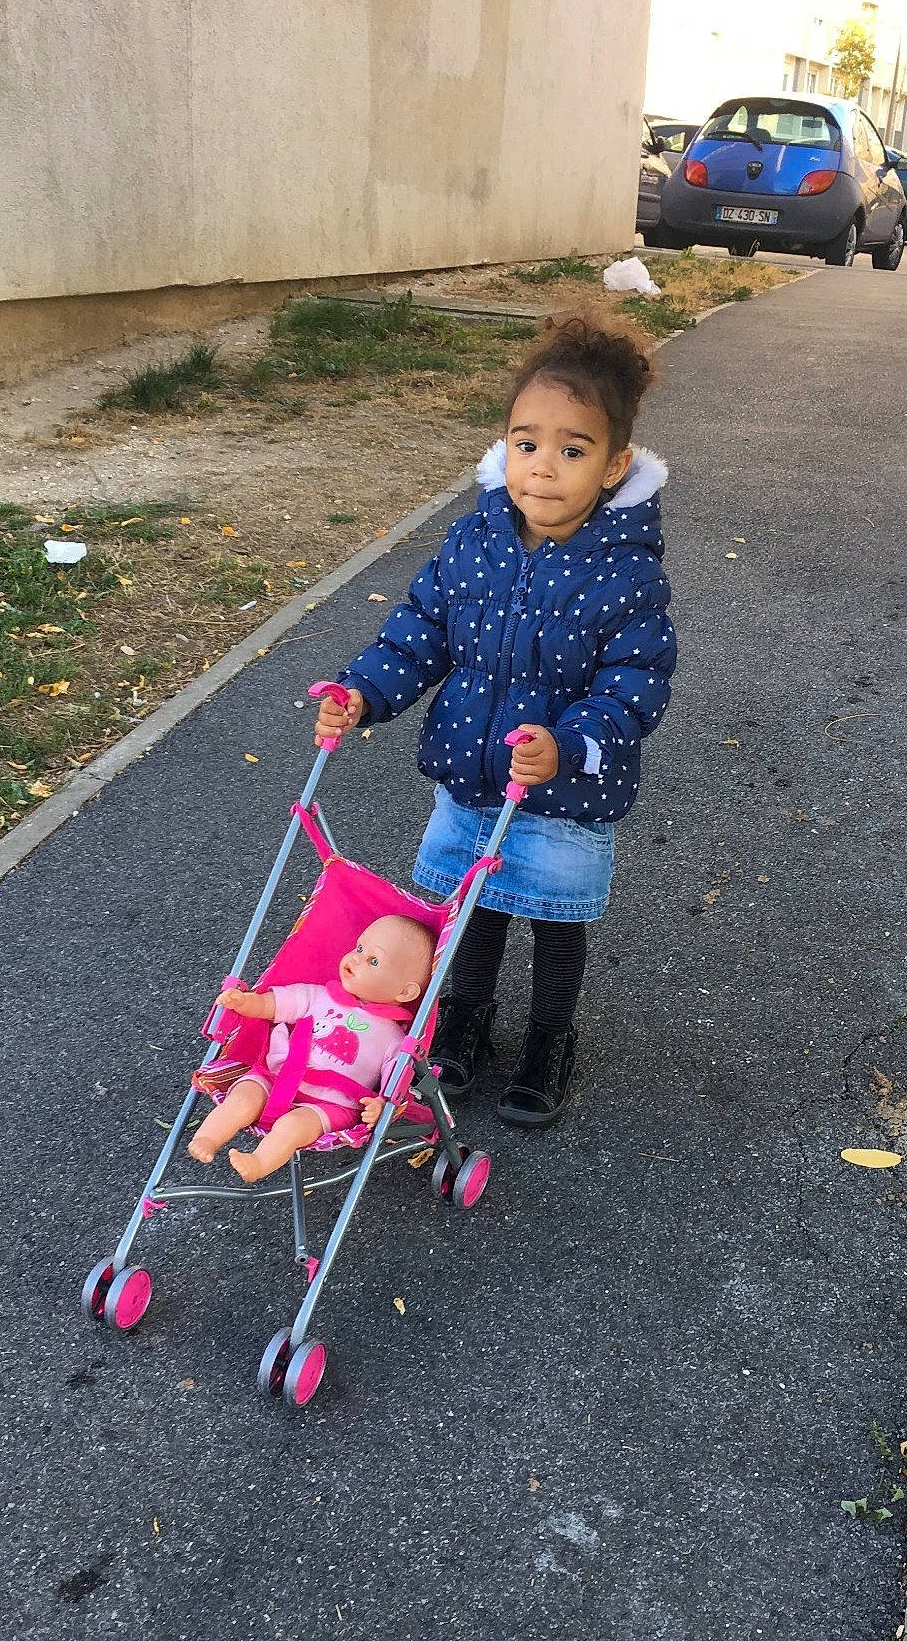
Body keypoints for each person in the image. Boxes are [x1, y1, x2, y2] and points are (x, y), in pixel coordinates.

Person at [314, 312, 676, 1127]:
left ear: (614, 464)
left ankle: (551, 1035)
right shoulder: (473, 542)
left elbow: (636, 686)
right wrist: (363, 694)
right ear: (503, 446)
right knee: (469, 909)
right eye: (526, 444)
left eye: (572, 451)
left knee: (553, 916)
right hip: (475, 775)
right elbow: (420, 633)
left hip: (564, 787)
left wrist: (573, 743)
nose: (543, 469)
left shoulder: (626, 572)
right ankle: (465, 1018)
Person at [187, 913, 435, 1180]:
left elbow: (394, 1081)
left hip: (331, 1103)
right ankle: (208, 1138)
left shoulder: (395, 1038)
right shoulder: (320, 995)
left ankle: (259, 1163)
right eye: (359, 948)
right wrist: (245, 1003)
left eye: (373, 961)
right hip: (277, 1075)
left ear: (405, 993)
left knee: (293, 1127)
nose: (355, 958)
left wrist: (380, 1104)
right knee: (243, 1097)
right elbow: (275, 1004)